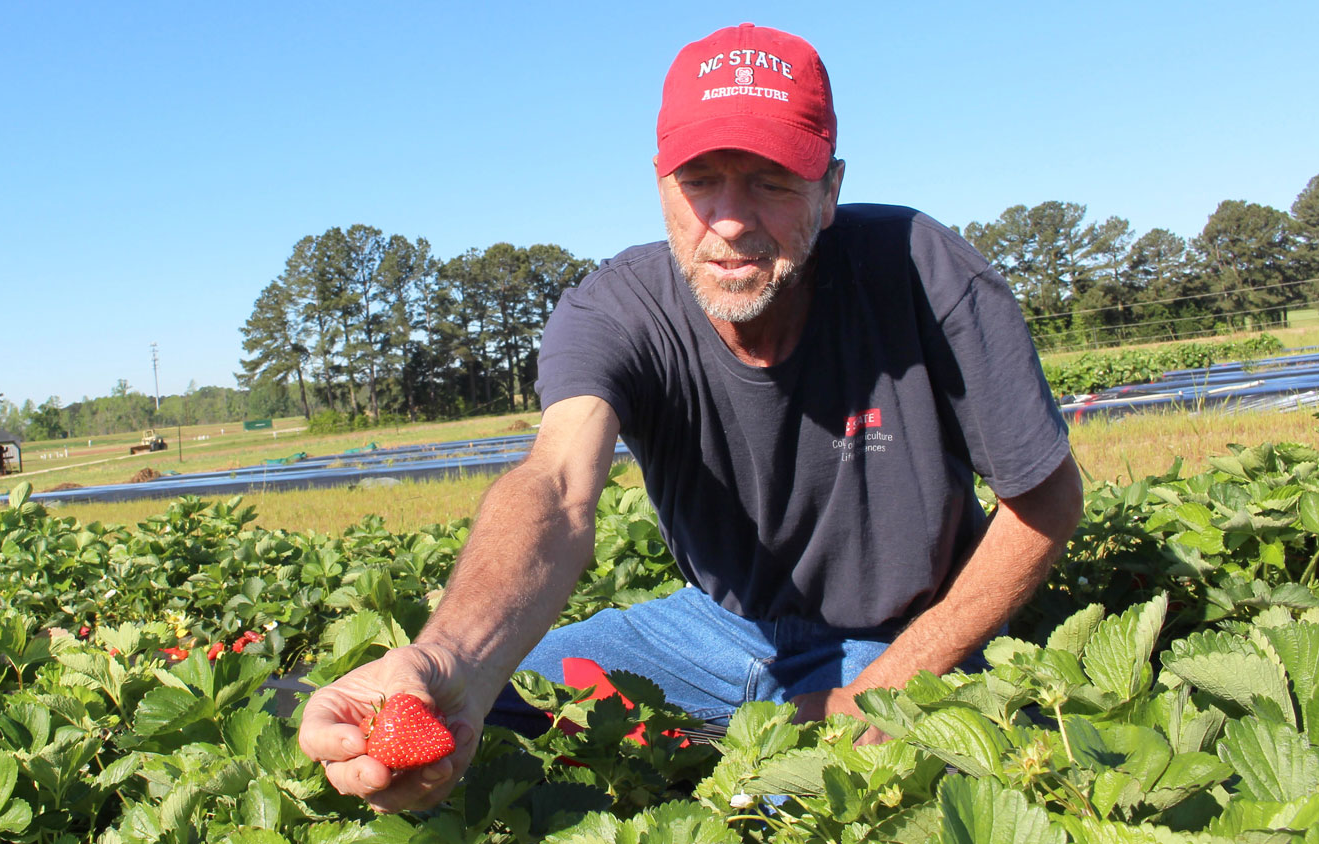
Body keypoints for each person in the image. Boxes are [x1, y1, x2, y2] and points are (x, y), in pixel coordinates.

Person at [299, 22, 1084, 813]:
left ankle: (763, 736)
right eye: (701, 180)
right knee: (485, 705)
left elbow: (1045, 503)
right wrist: (450, 659)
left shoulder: (926, 273)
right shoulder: (617, 310)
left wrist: (892, 684)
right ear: (659, 181)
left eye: (773, 180)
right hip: (705, 635)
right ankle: (736, 725)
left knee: (855, 794)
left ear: (830, 188)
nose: (732, 219)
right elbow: (559, 485)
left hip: (905, 631)